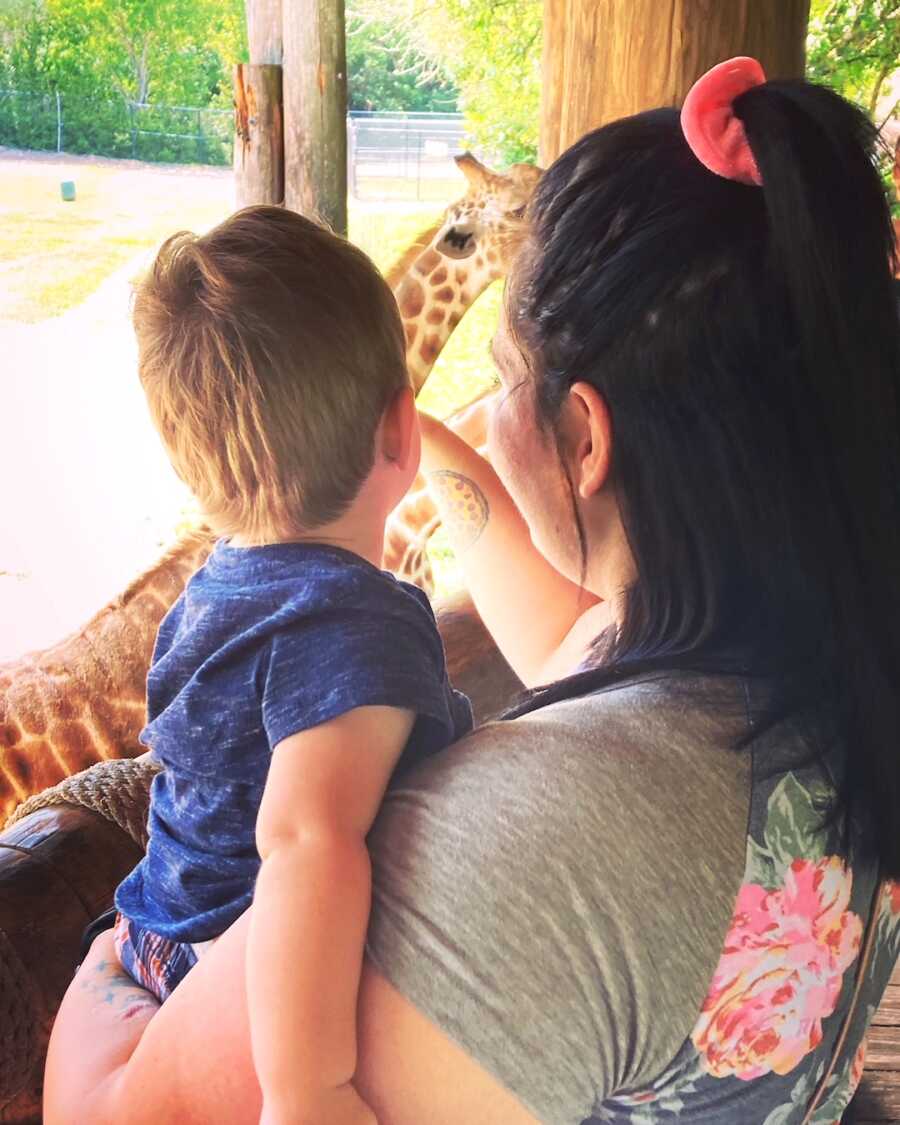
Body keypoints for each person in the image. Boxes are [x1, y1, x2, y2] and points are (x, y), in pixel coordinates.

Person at [45, 58, 900, 1124]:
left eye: (501, 373)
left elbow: (127, 1111)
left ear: (584, 436)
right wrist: (383, 442)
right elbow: (572, 636)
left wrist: (97, 981)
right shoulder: (809, 667)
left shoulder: (519, 861)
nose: (487, 404)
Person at [55, 207, 473, 1125]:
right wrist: (307, 1089)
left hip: (153, 932)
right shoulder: (361, 621)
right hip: (246, 969)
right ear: (401, 433)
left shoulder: (213, 591)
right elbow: (305, 839)